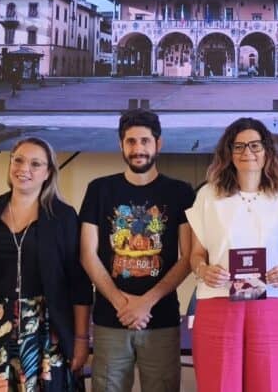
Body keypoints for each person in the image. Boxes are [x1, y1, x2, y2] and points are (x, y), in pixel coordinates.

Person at [0, 137, 93, 391]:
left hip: (47, 328)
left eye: (35, 163)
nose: (24, 169)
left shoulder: (62, 215)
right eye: (18, 160)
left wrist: (81, 338)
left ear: (48, 172)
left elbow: (79, 284)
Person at [187, 117, 278, 392]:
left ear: (267, 151)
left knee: (270, 383)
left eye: (255, 145)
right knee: (219, 384)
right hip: (218, 303)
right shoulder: (208, 195)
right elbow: (196, 254)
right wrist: (204, 270)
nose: (247, 153)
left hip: (272, 303)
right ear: (228, 153)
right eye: (238, 146)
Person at [79, 110, 194, 392]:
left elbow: (188, 256)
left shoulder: (180, 192)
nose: (138, 149)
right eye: (131, 142)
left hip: (161, 319)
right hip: (110, 320)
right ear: (121, 145)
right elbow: (87, 254)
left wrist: (146, 303)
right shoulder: (99, 189)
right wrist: (122, 303)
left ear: (158, 143)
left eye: (145, 141)